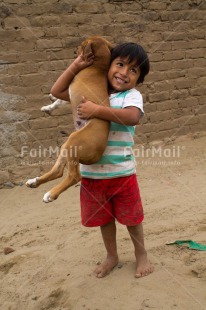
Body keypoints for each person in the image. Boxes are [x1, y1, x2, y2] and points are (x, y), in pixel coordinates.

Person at [51, 41, 153, 278]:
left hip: (122, 173)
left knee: (132, 218)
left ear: (139, 79)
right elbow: (56, 91)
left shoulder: (131, 96)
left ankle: (141, 255)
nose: (124, 73)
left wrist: (96, 111)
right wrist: (77, 64)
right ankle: (112, 256)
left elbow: (132, 117)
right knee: (104, 220)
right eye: (120, 64)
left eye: (133, 70)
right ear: (108, 65)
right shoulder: (92, 92)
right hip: (92, 175)